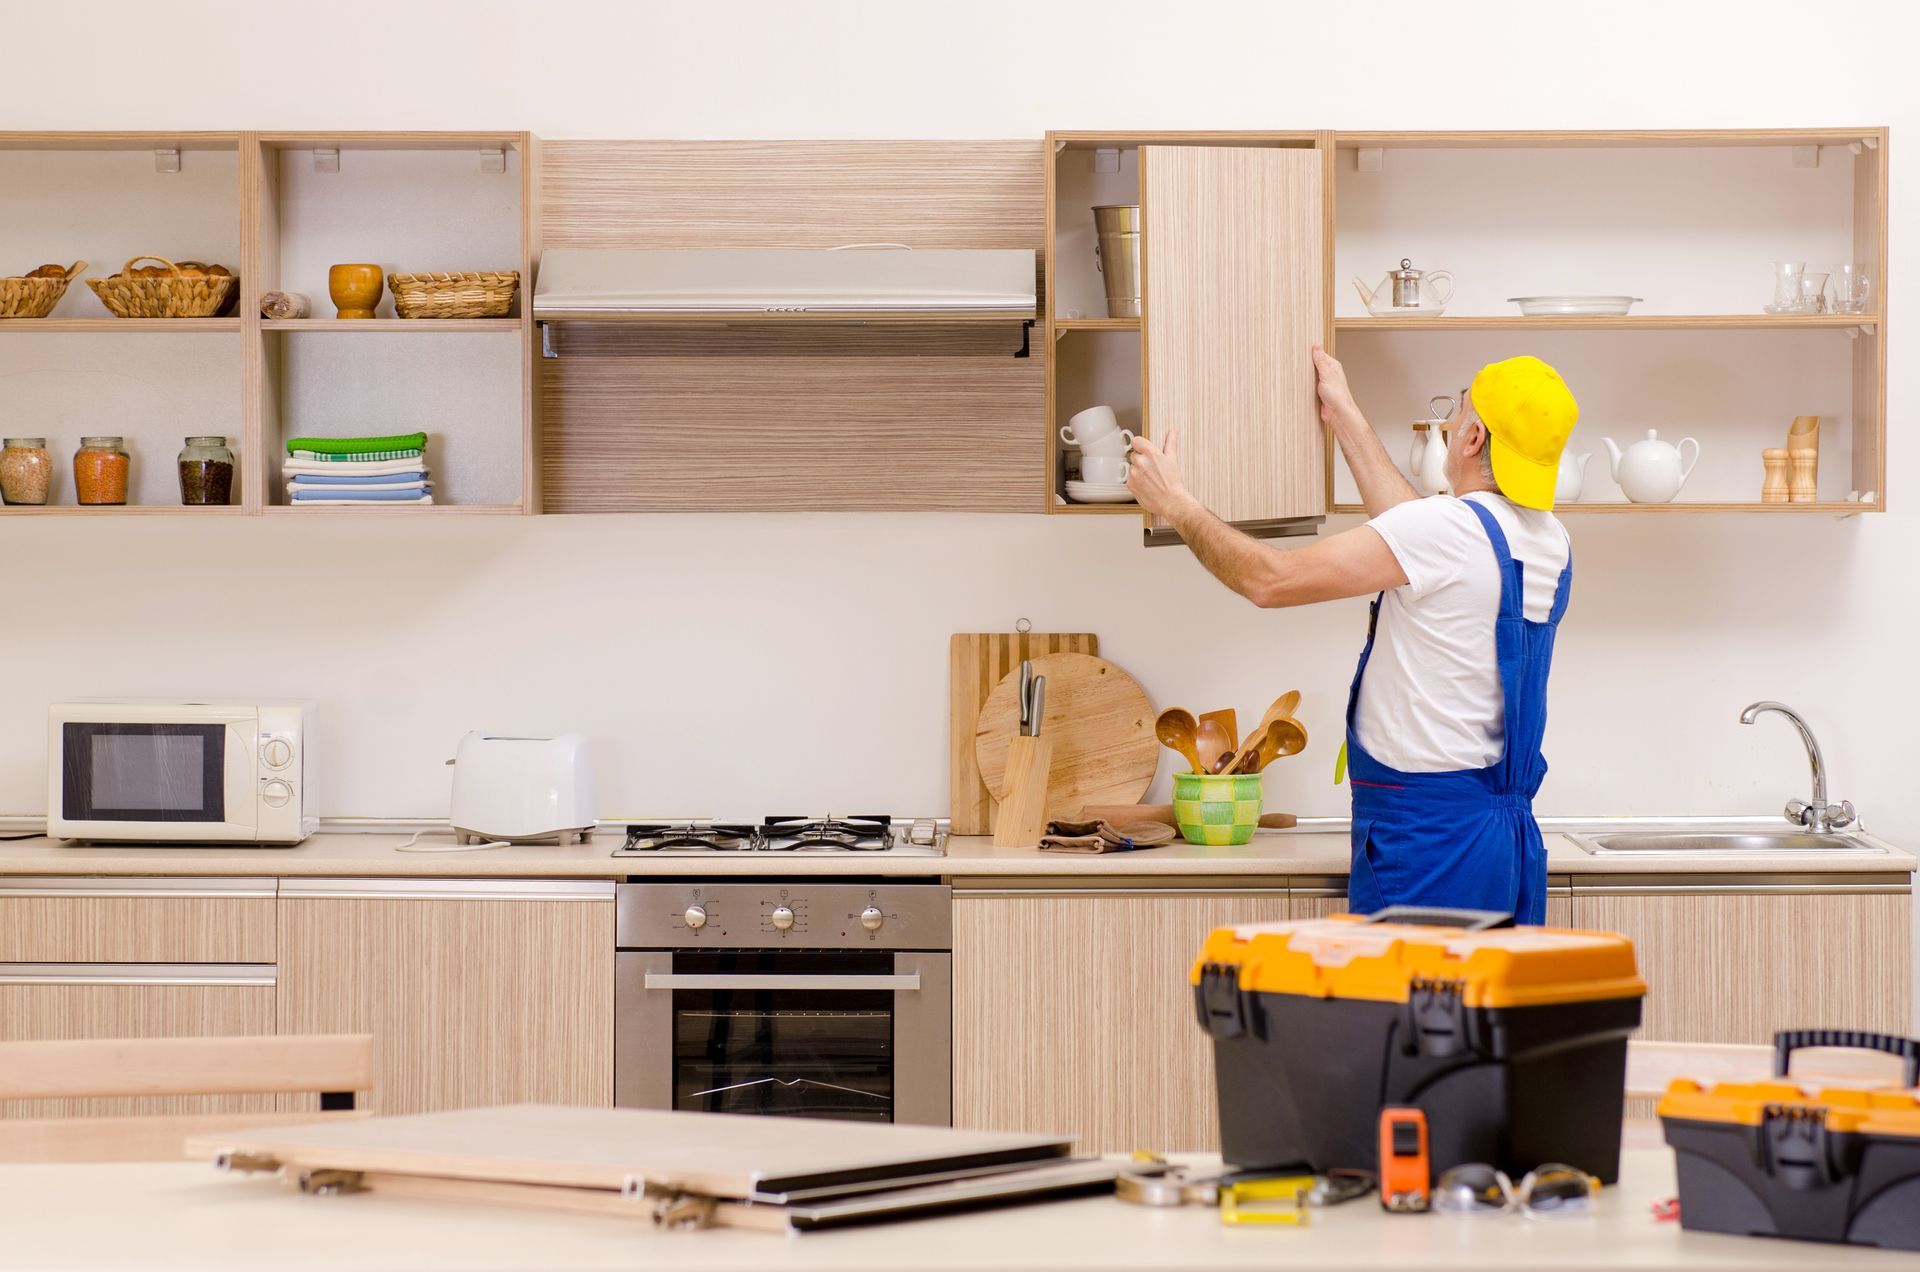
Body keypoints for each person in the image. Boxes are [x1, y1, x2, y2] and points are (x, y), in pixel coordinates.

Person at [1124, 346, 1577, 923]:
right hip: (1500, 838)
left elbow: (1270, 580)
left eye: (1457, 412)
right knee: (1483, 1009)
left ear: (1472, 440)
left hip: (1426, 833)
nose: (1449, 422)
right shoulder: (1547, 539)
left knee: (1412, 1011)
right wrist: (1344, 414)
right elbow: (1417, 538)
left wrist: (1175, 503)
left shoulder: (1446, 532)